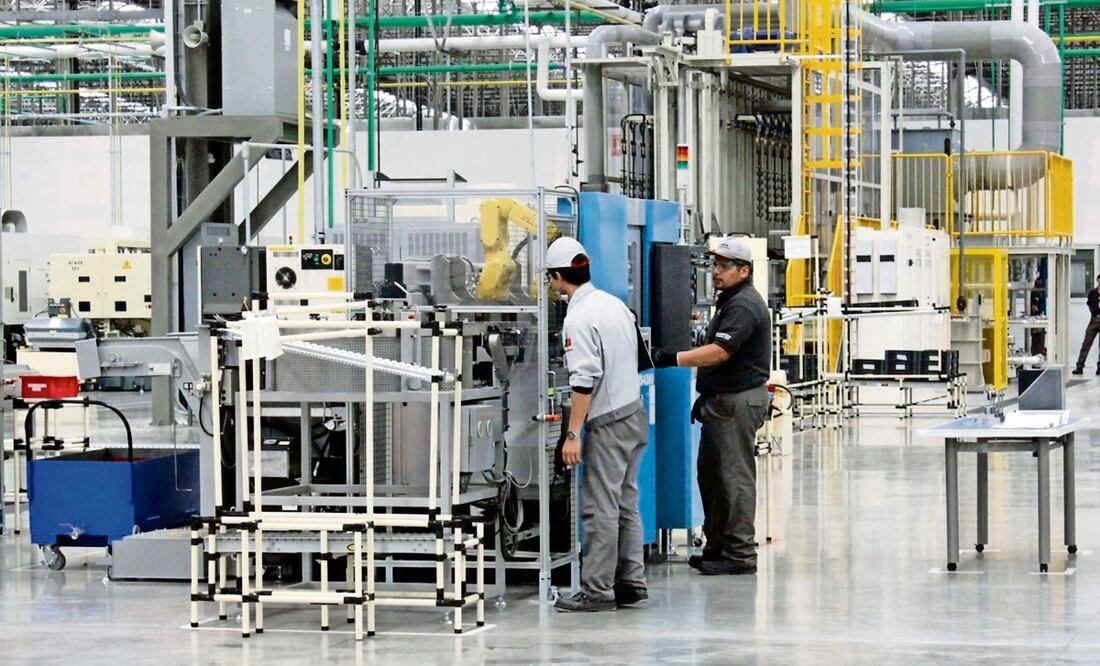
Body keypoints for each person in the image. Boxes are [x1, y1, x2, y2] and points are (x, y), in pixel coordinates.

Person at [652, 237, 772, 576]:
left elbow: (720, 352)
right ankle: (718, 547)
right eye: (714, 264)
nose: (716, 271)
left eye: (723, 266)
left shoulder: (744, 306)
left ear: (744, 270)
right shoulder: (730, 301)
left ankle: (740, 554)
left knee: (733, 479)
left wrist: (670, 358)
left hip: (737, 402)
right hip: (721, 403)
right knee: (713, 477)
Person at [545, 236, 650, 612]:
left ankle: (596, 591)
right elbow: (640, 357)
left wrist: (572, 433)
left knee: (599, 507)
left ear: (557, 277)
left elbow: (583, 380)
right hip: (634, 412)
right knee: (625, 502)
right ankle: (630, 581)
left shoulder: (578, 318)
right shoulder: (613, 304)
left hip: (609, 422)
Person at [1072, 273, 1100, 376]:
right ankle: (1079, 366)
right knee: (1086, 343)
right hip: (1094, 320)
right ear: (1097, 280)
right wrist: (1093, 312)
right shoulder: (1092, 293)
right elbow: (1089, 303)